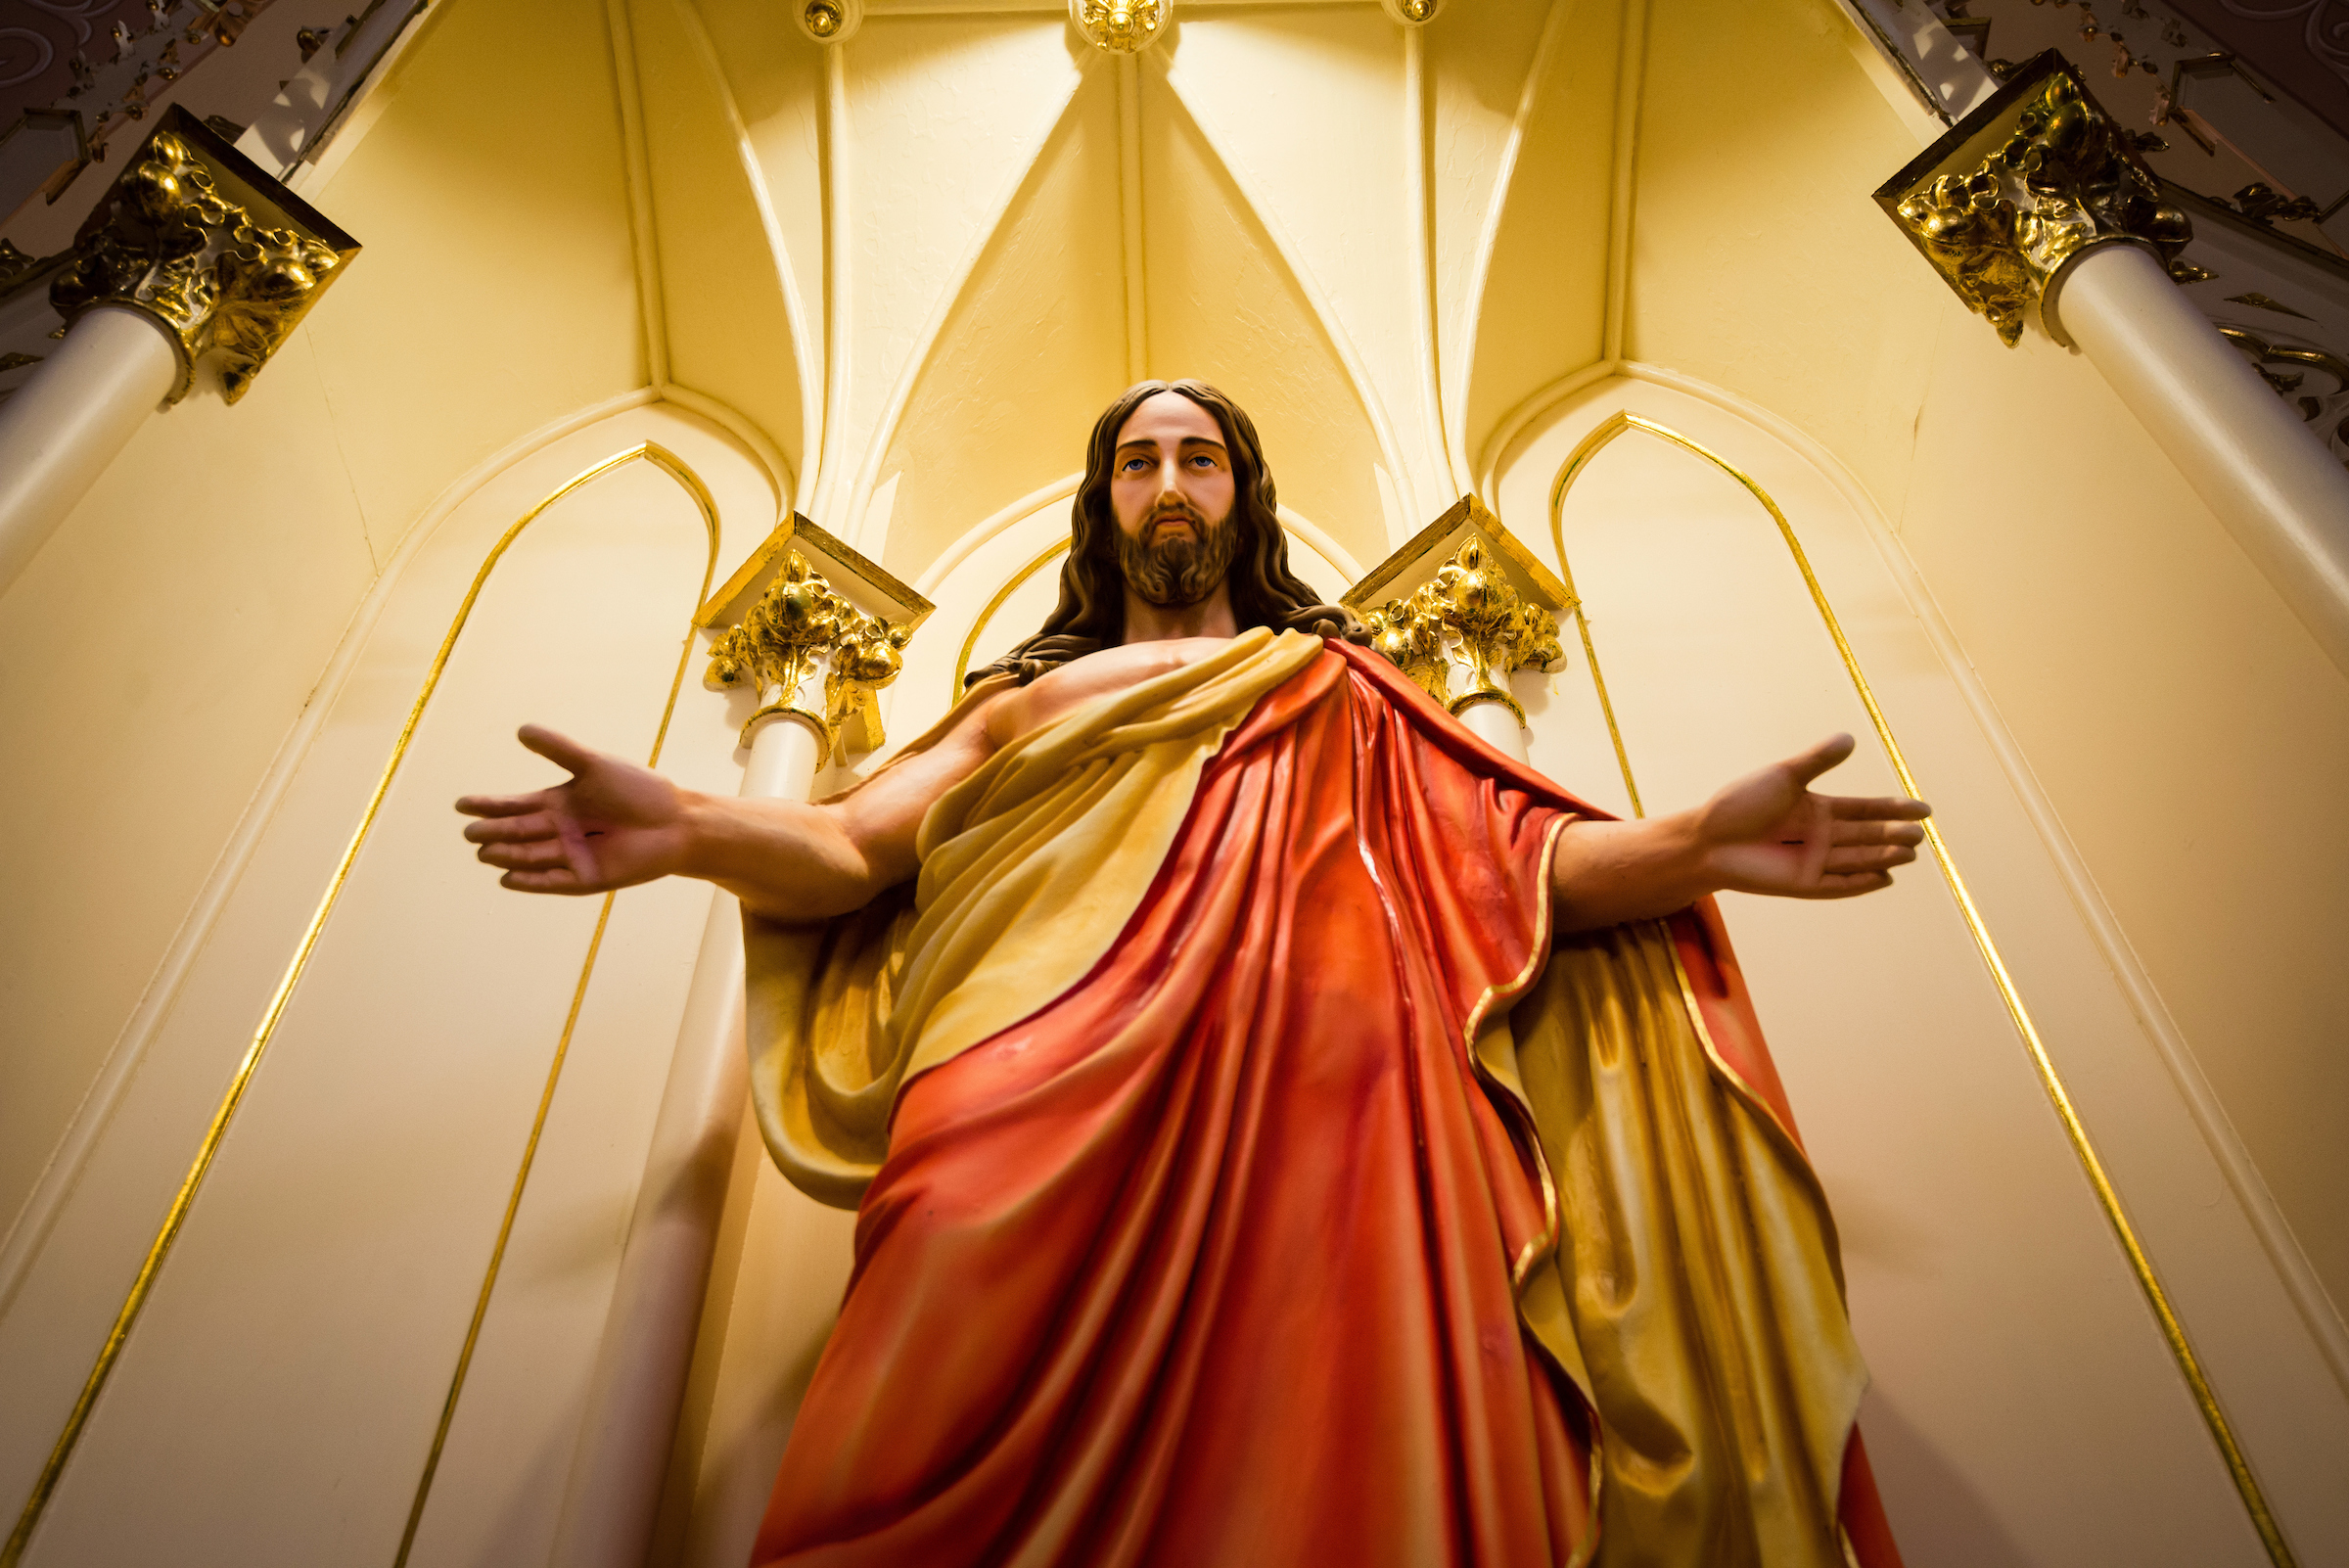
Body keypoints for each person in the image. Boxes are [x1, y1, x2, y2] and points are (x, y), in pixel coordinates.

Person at [458, 380, 1924, 1567]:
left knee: (1325, 1429)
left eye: (1200, 459)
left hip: (1319, 1109)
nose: (1170, 484)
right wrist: (689, 826)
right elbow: (848, 851)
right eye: (1140, 461)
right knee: (899, 1423)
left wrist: (1695, 846)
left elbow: (1513, 872)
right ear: (1103, 505)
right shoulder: (1019, 703)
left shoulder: (1338, 686)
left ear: (1244, 496)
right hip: (1014, 1090)